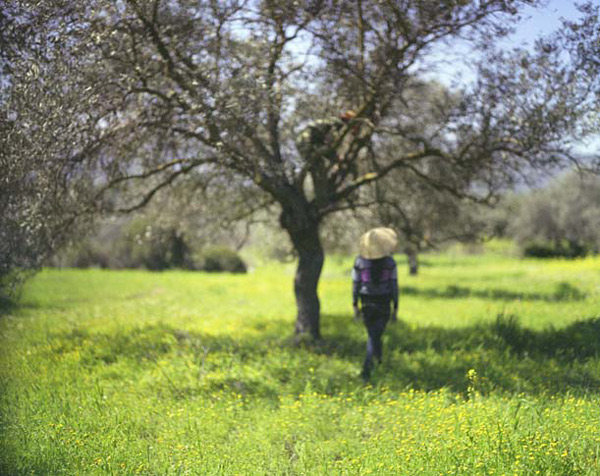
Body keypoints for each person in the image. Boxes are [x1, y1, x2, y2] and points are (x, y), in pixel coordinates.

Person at [352, 227, 399, 380]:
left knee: (374, 334)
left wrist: (354, 304)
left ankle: (377, 363)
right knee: (375, 335)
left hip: (366, 301)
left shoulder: (359, 262)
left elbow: (355, 284)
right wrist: (396, 306)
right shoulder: (390, 263)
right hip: (384, 301)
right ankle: (368, 369)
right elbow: (394, 285)